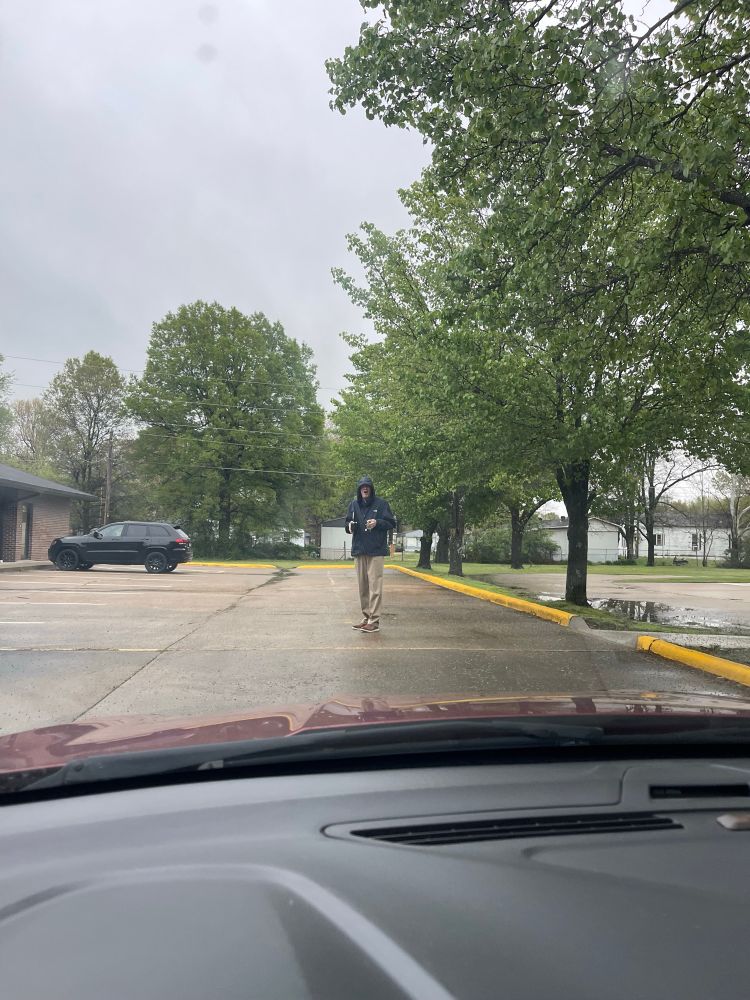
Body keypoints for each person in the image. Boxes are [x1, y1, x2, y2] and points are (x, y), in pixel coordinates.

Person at [345, 476, 396, 633]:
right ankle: (366, 617)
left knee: (375, 586)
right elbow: (346, 525)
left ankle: (374, 621)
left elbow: (391, 523)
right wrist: (350, 527)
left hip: (375, 551)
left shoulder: (381, 505)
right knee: (363, 587)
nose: (364, 489)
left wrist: (377, 523)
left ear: (371, 489)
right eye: (362, 487)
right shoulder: (354, 505)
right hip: (359, 550)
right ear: (359, 490)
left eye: (367, 487)